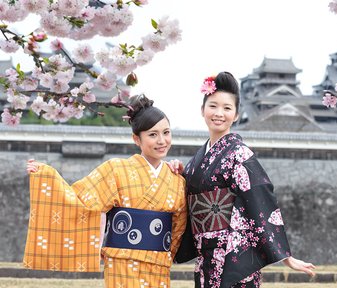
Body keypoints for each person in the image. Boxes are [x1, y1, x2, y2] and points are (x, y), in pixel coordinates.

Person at [23, 95, 187, 288]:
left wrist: (165, 253)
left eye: (166, 132)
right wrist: (46, 175)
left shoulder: (176, 179)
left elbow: (179, 225)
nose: (162, 141)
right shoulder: (115, 169)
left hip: (160, 263)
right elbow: (79, 200)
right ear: (136, 138)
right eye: (153, 134)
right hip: (122, 262)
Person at [172, 72, 316, 287]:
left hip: (232, 256)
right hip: (205, 256)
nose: (219, 113)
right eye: (213, 106)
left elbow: (260, 200)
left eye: (227, 108)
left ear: (237, 114)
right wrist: (177, 173)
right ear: (202, 110)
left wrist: (284, 255)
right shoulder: (195, 161)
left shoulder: (240, 154)